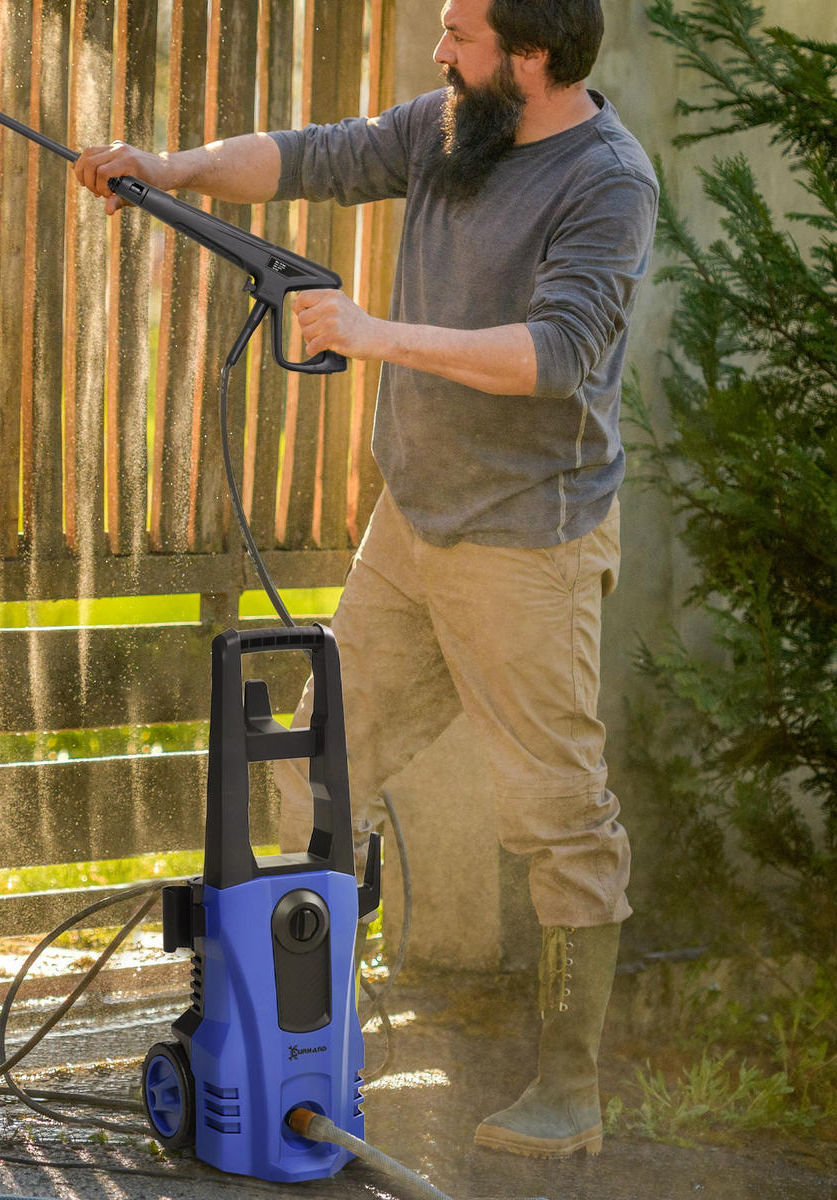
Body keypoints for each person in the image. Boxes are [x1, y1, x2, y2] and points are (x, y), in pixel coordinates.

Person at [75, 0, 657, 1162]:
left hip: (528, 544)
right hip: (414, 527)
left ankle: (569, 1089)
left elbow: (558, 353)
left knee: (559, 815)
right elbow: (310, 155)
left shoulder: (607, 181)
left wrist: (377, 332)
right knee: (314, 776)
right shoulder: (453, 127)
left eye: (463, 37)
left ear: (531, 61)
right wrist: (170, 168)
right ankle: (309, 1043)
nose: (439, 52)